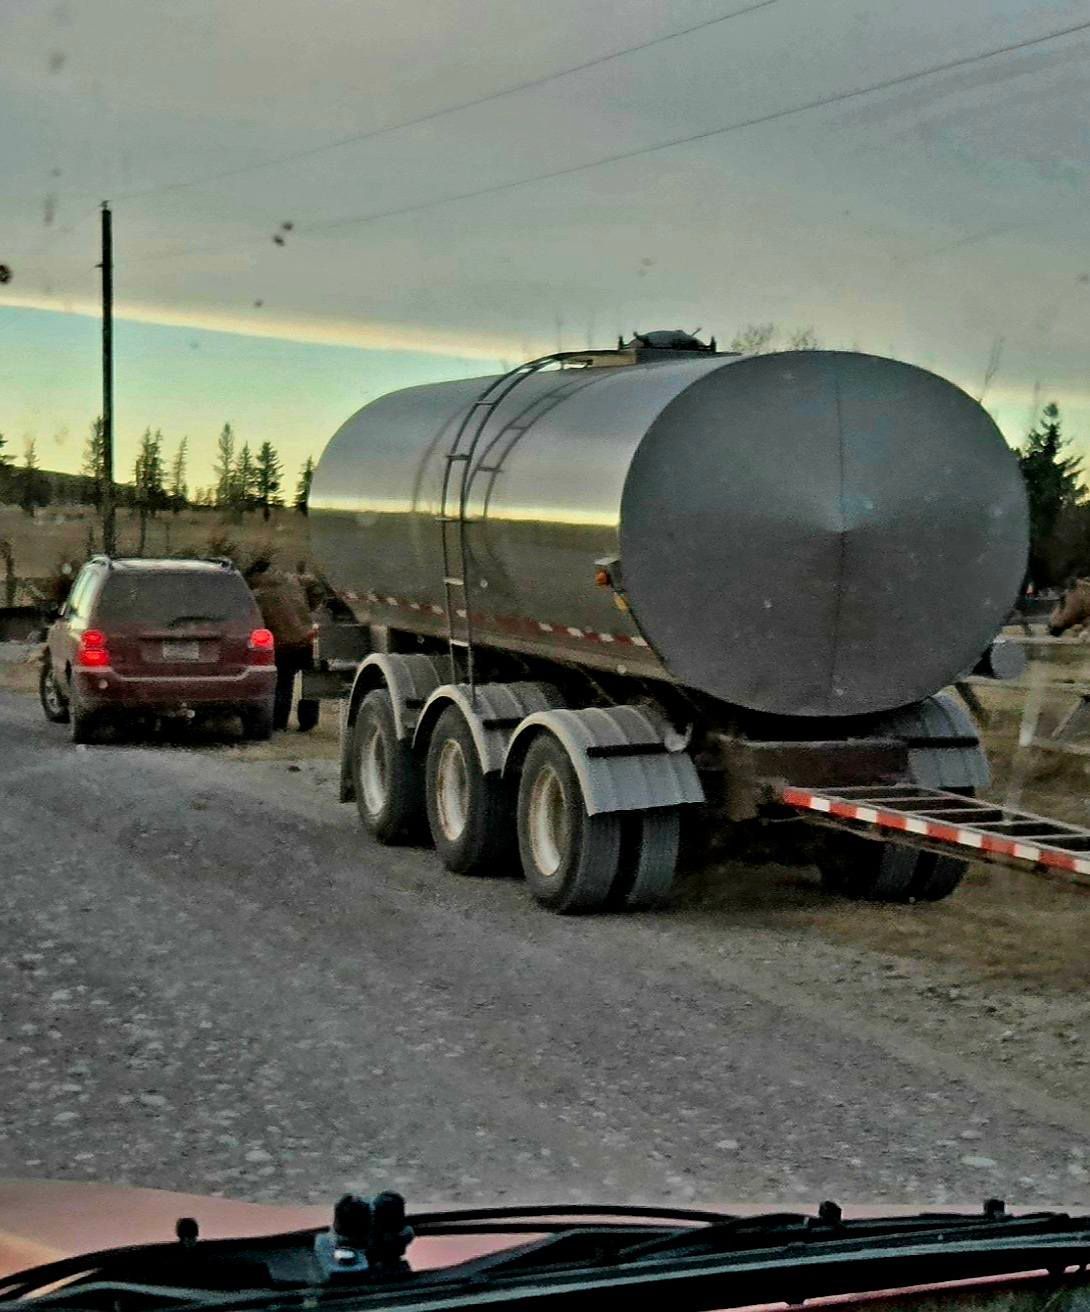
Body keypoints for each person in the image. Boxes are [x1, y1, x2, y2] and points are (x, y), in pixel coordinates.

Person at [244, 557, 314, 731]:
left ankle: (279, 723)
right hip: (306, 636)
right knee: (309, 683)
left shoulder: (259, 596)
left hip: (282, 643)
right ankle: (308, 722)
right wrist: (308, 607)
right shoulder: (293, 581)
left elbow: (255, 623)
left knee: (283, 684)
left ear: (256, 575)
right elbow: (315, 584)